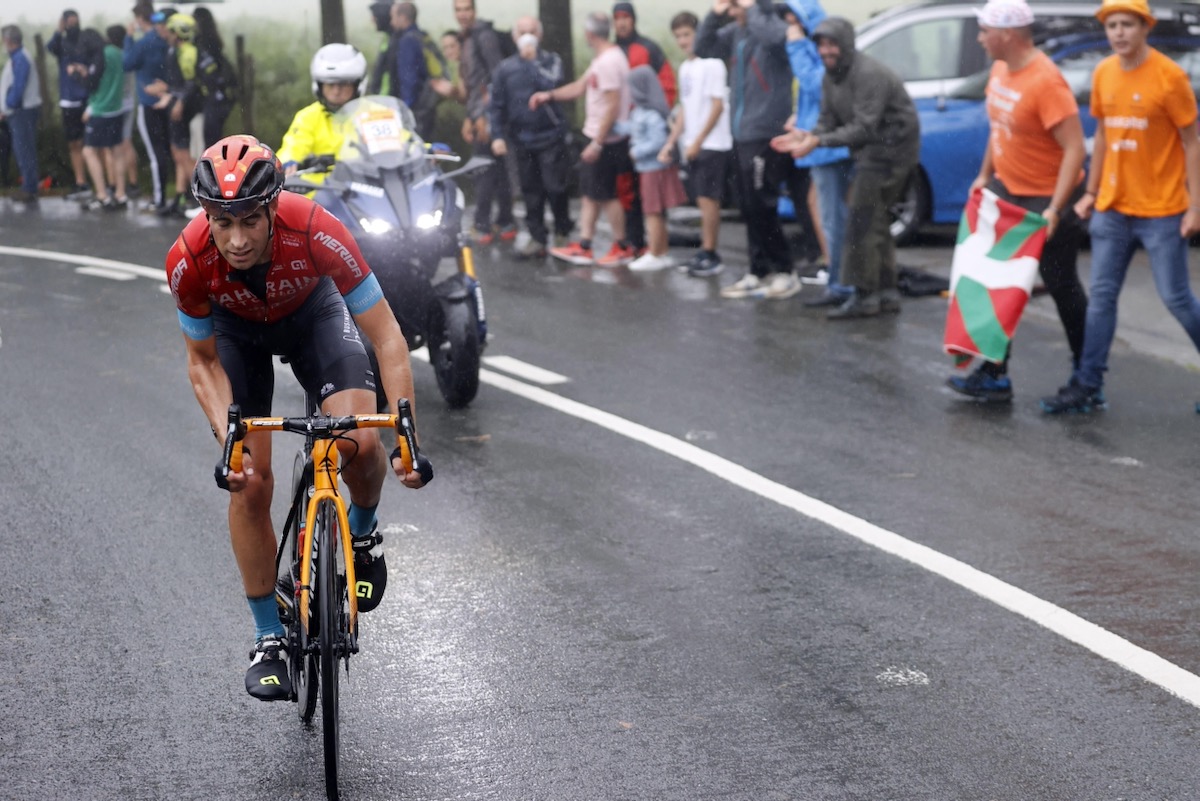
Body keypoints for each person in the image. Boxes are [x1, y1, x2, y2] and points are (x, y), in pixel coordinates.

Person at [168, 134, 430, 699]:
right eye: (221, 222)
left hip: (313, 316)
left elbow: (387, 337)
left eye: (249, 223)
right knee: (249, 483)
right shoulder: (187, 259)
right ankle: (268, 639)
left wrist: (405, 430)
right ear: (205, 215)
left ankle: (361, 539)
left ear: (272, 208)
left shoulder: (317, 229)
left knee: (359, 441)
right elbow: (202, 361)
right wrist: (229, 441)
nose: (236, 240)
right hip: (236, 337)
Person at [1040, 0, 1200, 414]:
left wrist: (1194, 205)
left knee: (1176, 298)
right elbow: (1106, 134)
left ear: (1145, 27)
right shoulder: (1104, 72)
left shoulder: (1170, 77)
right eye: (1112, 25)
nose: (1119, 33)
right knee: (1103, 297)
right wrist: (1092, 192)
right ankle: (1088, 384)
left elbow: (1192, 142)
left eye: (1128, 24)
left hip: (1162, 209)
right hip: (1113, 207)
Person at [944, 0, 1088, 403]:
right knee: (995, 282)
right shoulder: (1000, 69)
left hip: (1047, 197)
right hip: (1008, 191)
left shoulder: (1045, 82)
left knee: (1061, 284)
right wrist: (986, 175)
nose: (980, 38)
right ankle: (994, 373)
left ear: (1007, 34)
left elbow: (1075, 149)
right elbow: (999, 126)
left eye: (985, 30)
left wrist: (1056, 208)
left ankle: (1087, 371)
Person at [771, 16, 920, 318]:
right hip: (870, 150)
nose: (826, 51)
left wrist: (818, 142)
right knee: (875, 221)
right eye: (821, 45)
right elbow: (828, 120)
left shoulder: (868, 74)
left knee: (862, 220)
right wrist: (808, 135)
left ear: (846, 44)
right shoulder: (830, 76)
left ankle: (864, 296)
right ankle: (885, 293)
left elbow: (864, 127)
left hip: (892, 151)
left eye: (832, 44)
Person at [696, 0, 801, 300]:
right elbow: (703, 48)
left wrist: (753, 7)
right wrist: (714, 14)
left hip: (766, 130)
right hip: (741, 132)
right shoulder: (735, 33)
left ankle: (784, 270)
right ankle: (759, 271)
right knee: (748, 205)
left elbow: (775, 38)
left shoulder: (772, 25)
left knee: (763, 202)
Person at [535, 12, 638, 267]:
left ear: (590, 34)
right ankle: (584, 245)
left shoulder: (608, 62)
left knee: (606, 194)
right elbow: (580, 87)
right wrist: (548, 95)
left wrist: (597, 143)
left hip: (606, 140)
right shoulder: (604, 59)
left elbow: (613, 105)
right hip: (599, 136)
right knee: (591, 194)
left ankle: (622, 245)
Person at [783, 0, 855, 308]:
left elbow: (817, 85)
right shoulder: (814, 44)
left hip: (828, 148)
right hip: (820, 143)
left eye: (793, 18)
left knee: (833, 218)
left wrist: (797, 47)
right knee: (826, 212)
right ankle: (838, 278)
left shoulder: (817, 47)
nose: (788, 24)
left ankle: (842, 284)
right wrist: (798, 120)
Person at [488, 17, 572, 259]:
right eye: (523, 32)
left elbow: (553, 83)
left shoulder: (551, 61)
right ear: (514, 37)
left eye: (532, 31)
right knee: (529, 190)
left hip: (550, 136)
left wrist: (532, 61)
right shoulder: (505, 68)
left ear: (540, 35)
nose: (527, 36)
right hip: (521, 139)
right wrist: (497, 136)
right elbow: (496, 105)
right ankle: (537, 237)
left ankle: (563, 231)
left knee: (556, 186)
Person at [663, 10, 732, 277]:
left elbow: (717, 106)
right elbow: (685, 108)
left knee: (708, 200)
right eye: (678, 36)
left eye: (687, 34)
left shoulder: (712, 64)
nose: (683, 41)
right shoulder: (686, 68)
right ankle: (704, 249)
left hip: (713, 144)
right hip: (692, 144)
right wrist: (673, 141)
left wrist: (699, 141)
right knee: (702, 200)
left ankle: (711, 252)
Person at [612, 1, 679, 255]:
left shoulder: (649, 48)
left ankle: (656, 245)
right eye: (617, 18)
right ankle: (635, 240)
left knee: (652, 193)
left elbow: (667, 85)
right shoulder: (611, 52)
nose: (621, 22)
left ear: (633, 19)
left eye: (625, 17)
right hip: (624, 133)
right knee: (626, 189)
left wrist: (658, 118)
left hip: (647, 133)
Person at [455, 0, 517, 244]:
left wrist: (484, 116)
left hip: (490, 114)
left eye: (466, 9)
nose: (462, 14)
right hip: (480, 112)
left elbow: (495, 77)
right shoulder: (468, 37)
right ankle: (505, 221)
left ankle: (483, 225)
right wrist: (469, 116)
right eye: (458, 10)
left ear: (474, 11)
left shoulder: (484, 37)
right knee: (497, 168)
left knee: (483, 168)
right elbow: (473, 84)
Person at [627, 65, 688, 271]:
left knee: (652, 211)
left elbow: (657, 141)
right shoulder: (643, 112)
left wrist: (636, 152)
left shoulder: (651, 115)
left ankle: (655, 252)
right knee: (656, 212)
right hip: (650, 168)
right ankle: (660, 251)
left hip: (652, 168)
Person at [277, 43, 367, 179]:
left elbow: (405, 145)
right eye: (330, 84)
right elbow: (293, 146)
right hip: (319, 194)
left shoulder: (377, 114)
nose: (336, 91)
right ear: (319, 85)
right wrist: (288, 161)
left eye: (343, 84)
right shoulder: (308, 117)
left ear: (357, 85)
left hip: (368, 191)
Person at [146, 13, 202, 216]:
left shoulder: (186, 52)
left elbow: (191, 82)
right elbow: (180, 83)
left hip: (187, 109)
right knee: (179, 152)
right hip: (179, 104)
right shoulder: (174, 50)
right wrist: (168, 91)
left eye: (170, 30)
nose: (166, 33)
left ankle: (201, 198)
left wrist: (177, 100)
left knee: (183, 153)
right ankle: (181, 196)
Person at [125, 1, 173, 212]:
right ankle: (174, 194)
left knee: (156, 154)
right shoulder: (165, 40)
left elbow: (127, 63)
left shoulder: (144, 42)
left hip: (148, 103)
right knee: (170, 149)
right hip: (169, 100)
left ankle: (159, 198)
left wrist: (128, 37)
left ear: (139, 19)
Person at [382, 2, 452, 142]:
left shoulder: (407, 41)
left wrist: (405, 110)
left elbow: (409, 80)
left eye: (393, 17)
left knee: (415, 148)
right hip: (428, 105)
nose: (391, 22)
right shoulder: (422, 36)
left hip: (416, 109)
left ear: (403, 17)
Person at [77, 27, 130, 210]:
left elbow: (93, 84)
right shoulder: (116, 52)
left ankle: (102, 195)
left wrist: (81, 74)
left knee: (88, 151)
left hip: (101, 110)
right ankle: (121, 194)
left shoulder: (100, 55)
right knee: (116, 151)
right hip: (117, 108)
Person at [47, 9, 91, 199]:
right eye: (70, 23)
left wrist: (83, 69)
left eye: (76, 22)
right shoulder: (61, 42)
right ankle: (80, 181)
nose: (74, 26)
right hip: (67, 100)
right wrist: (58, 30)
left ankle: (100, 183)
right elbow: (50, 47)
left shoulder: (85, 41)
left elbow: (95, 64)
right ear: (64, 23)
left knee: (90, 144)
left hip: (85, 99)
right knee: (74, 143)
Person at [0, 25, 41, 204]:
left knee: (24, 149)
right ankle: (29, 185)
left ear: (7, 40)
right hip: (19, 111)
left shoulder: (20, 59)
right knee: (23, 148)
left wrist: (8, 106)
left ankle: (30, 188)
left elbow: (18, 88)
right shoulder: (17, 57)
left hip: (22, 111)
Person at [193, 7, 237, 148]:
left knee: (211, 142)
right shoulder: (213, 40)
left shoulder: (201, 44)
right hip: (221, 97)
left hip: (213, 98)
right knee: (215, 138)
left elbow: (206, 73)